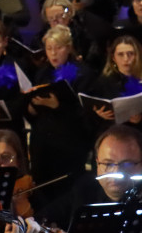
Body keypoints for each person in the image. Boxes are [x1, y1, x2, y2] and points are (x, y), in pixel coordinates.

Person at [26, 24, 95, 199]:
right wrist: (30, 108)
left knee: (67, 192)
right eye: (49, 48)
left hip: (69, 144)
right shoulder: (42, 73)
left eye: (58, 48)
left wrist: (58, 106)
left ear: (69, 48)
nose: (53, 53)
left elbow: (85, 114)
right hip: (43, 142)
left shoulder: (84, 74)